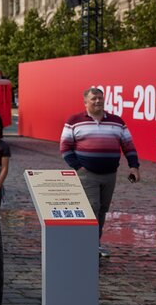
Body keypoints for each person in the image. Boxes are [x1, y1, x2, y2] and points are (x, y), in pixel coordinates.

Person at [60, 87, 140, 258]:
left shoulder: (117, 121)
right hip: (86, 174)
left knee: (103, 209)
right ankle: (88, 245)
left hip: (110, 174)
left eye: (100, 98)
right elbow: (65, 147)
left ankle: (93, 242)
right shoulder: (74, 120)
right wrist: (78, 167)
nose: (98, 101)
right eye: (94, 98)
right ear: (85, 102)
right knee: (92, 208)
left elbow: (128, 145)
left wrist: (134, 166)